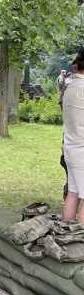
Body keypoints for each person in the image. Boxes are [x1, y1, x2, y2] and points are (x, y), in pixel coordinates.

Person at [62, 49, 84, 224]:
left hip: (71, 147)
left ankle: (66, 234)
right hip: (81, 150)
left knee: (73, 193)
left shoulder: (70, 86)